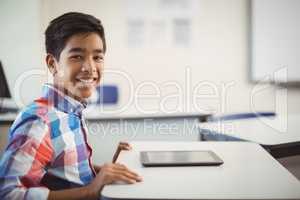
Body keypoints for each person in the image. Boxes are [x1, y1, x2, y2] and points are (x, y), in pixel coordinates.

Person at [0, 12, 142, 200]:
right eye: (77, 57)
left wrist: (108, 170)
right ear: (53, 64)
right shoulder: (39, 121)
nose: (90, 68)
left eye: (97, 57)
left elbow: (63, 173)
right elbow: (8, 194)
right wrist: (91, 191)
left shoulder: (72, 111)